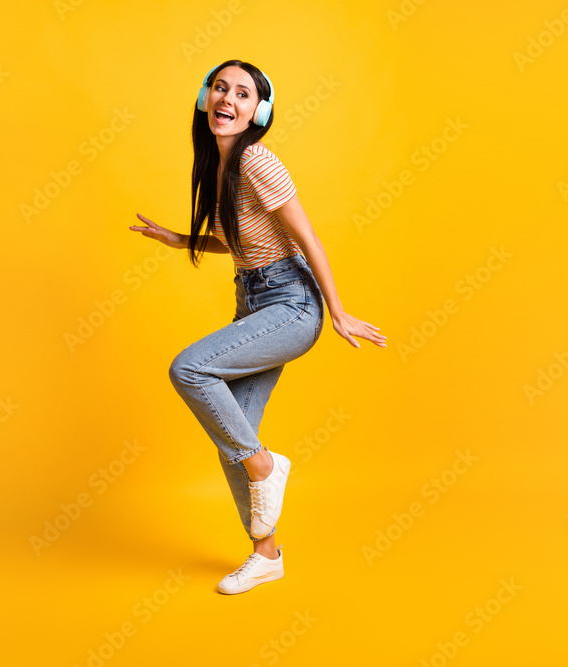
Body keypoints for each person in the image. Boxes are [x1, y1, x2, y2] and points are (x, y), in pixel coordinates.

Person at [128, 59, 386, 594]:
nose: (228, 99)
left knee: (189, 370)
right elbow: (250, 243)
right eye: (220, 88)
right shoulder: (216, 164)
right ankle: (266, 556)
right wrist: (183, 240)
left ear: (257, 112)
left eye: (243, 94)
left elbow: (306, 240)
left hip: (292, 304)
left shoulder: (257, 161)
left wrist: (336, 310)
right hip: (254, 300)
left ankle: (267, 465)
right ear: (205, 98)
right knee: (232, 436)